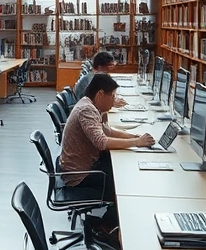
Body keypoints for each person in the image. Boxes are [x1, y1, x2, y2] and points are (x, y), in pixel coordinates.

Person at [59, 73, 154, 233]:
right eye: (112, 96)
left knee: (124, 168)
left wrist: (134, 136)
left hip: (86, 165)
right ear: (100, 94)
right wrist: (136, 143)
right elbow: (102, 142)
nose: (114, 100)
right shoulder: (86, 110)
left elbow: (106, 130)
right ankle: (106, 226)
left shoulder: (90, 105)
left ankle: (109, 223)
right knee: (124, 182)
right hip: (79, 175)